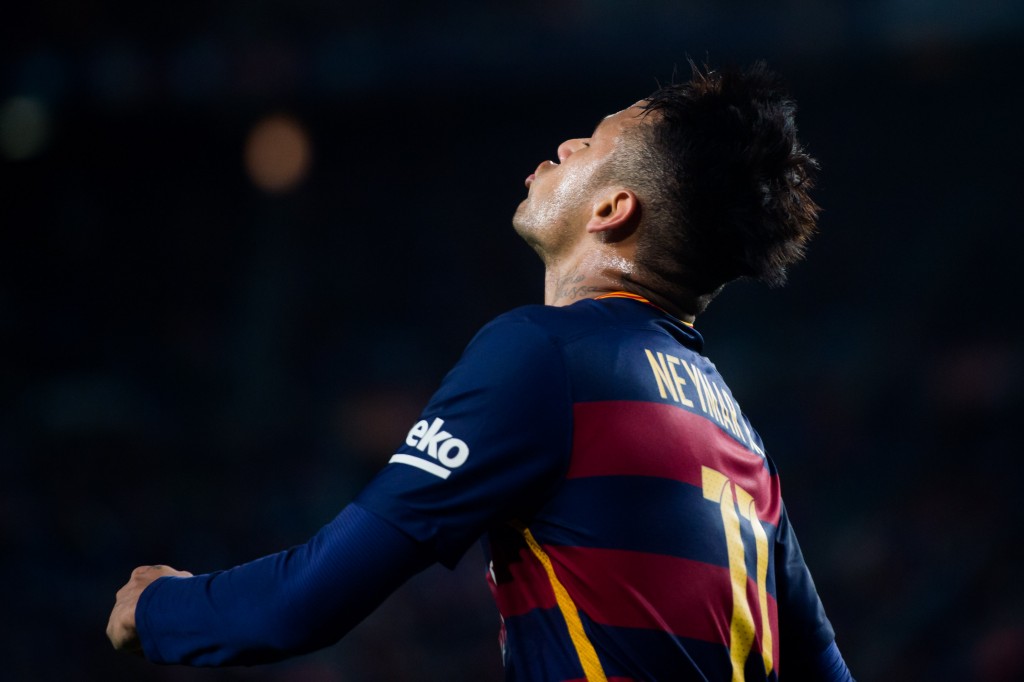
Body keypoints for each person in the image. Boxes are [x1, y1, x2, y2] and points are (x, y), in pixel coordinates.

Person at [108, 62, 854, 681]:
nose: (563, 145)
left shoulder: (545, 354)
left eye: (589, 144)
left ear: (612, 209)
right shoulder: (742, 440)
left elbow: (306, 601)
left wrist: (160, 606)